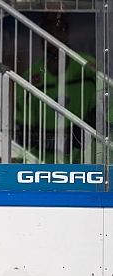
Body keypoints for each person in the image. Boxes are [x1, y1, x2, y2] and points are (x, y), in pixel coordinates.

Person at [15, 11, 97, 163]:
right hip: (43, 168)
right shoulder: (29, 80)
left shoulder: (88, 69)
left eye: (59, 30)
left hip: (86, 166)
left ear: (67, 32)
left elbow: (106, 109)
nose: (54, 37)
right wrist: (64, 142)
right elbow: (24, 137)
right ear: (40, 34)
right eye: (48, 31)